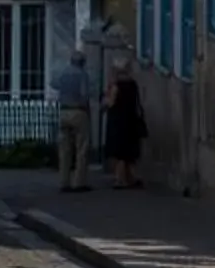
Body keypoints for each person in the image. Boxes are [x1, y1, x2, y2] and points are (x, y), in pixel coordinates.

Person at [51, 49, 98, 192]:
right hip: (78, 111)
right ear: (82, 62)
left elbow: (53, 83)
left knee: (64, 149)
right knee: (81, 148)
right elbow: (85, 94)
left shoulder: (63, 73)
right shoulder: (82, 74)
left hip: (63, 111)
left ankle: (63, 182)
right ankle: (79, 182)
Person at [101, 60, 147, 189]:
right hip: (131, 120)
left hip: (118, 121)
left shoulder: (116, 86)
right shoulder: (132, 84)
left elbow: (110, 103)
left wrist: (105, 97)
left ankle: (120, 179)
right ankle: (131, 178)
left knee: (120, 153)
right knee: (129, 152)